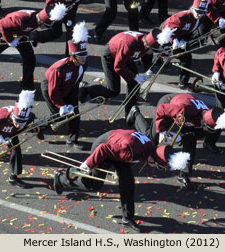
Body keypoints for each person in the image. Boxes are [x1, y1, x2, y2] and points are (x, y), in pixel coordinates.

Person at [53, 129, 190, 232]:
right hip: (103, 146)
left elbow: (129, 152)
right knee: (93, 185)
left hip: (118, 148)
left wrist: (120, 170)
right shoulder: (132, 152)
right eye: (158, 166)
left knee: (128, 183)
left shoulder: (150, 146)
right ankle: (61, 178)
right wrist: (87, 165)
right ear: (154, 160)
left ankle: (127, 218)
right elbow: (104, 149)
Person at [126, 93, 225, 189]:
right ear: (203, 122)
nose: (207, 131)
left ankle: (183, 174)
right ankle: (135, 113)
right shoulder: (184, 110)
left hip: (187, 118)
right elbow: (162, 109)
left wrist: (181, 138)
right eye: (208, 128)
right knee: (152, 139)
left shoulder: (208, 113)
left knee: (190, 142)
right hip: (168, 106)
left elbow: (193, 134)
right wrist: (161, 131)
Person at [79, 28, 173, 116]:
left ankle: (130, 112)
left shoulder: (146, 42)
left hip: (125, 56)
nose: (154, 53)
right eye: (153, 50)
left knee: (135, 85)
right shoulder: (130, 45)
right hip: (111, 56)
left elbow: (147, 57)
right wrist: (134, 76)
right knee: (113, 91)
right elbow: (118, 67)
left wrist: (148, 71)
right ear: (147, 46)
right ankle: (86, 88)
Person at [0, 4, 67, 91]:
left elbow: (28, 30)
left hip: (20, 36)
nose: (44, 28)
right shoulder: (22, 19)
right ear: (41, 21)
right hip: (7, 34)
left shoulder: (36, 19)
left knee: (30, 60)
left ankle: (27, 87)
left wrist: (33, 38)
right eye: (45, 26)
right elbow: (2, 24)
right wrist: (10, 40)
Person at [41, 22, 89, 150]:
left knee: (74, 113)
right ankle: (39, 126)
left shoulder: (83, 64)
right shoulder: (59, 69)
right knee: (57, 115)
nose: (84, 59)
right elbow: (53, 91)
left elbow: (77, 79)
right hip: (51, 87)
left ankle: (72, 140)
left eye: (85, 55)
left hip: (70, 87)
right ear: (73, 56)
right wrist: (62, 106)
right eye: (80, 56)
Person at [159, 5, 206, 89]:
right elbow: (167, 27)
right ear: (192, 9)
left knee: (187, 60)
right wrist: (174, 40)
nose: (200, 15)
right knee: (157, 59)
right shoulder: (182, 16)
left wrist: (185, 41)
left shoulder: (199, 19)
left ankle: (183, 83)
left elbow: (193, 33)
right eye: (198, 12)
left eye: (202, 13)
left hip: (181, 40)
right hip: (166, 37)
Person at [211, 41, 225, 111]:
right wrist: (216, 71)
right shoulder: (222, 50)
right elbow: (218, 55)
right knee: (220, 106)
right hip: (222, 81)